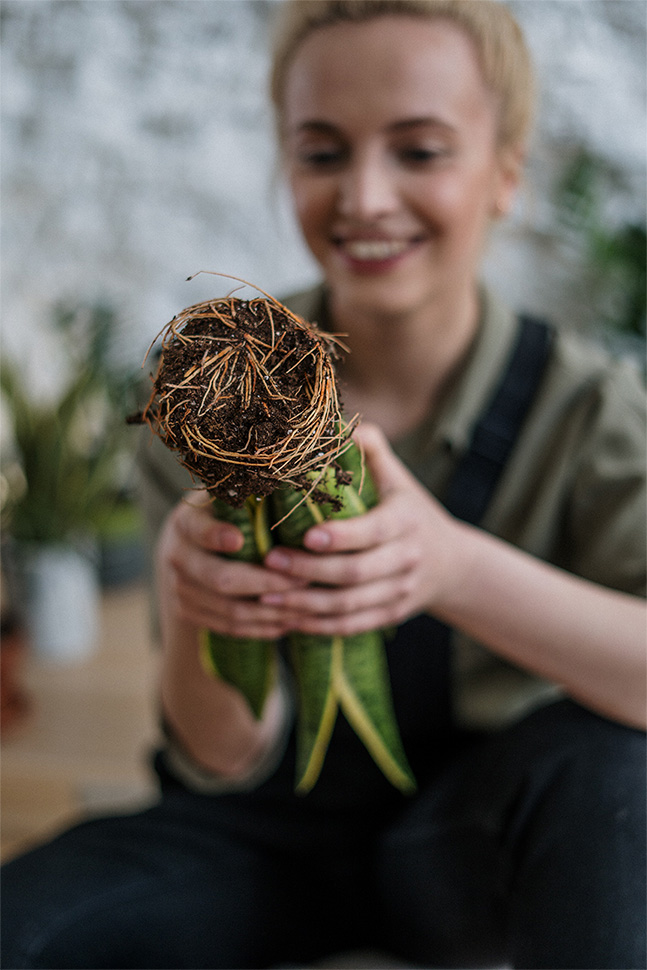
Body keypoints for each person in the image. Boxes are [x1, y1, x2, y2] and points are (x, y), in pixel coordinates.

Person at [3, 1, 645, 967]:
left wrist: (453, 569)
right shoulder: (206, 390)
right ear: (283, 164)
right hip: (256, 839)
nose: (366, 198)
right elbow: (220, 753)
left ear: (506, 173)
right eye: (321, 152)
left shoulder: (590, 409)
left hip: (468, 843)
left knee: (614, 768)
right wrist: (197, 600)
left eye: (420, 151)